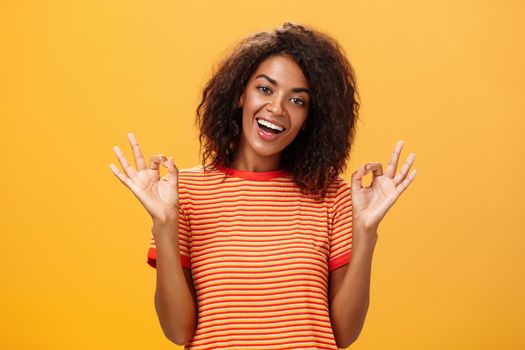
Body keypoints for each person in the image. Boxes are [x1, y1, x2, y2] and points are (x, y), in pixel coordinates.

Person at [109, 22, 416, 350]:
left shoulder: (333, 195)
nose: (277, 109)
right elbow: (178, 332)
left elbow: (343, 334)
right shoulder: (182, 193)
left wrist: (366, 231)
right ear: (241, 93)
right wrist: (164, 225)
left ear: (311, 117)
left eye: (297, 101)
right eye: (265, 89)